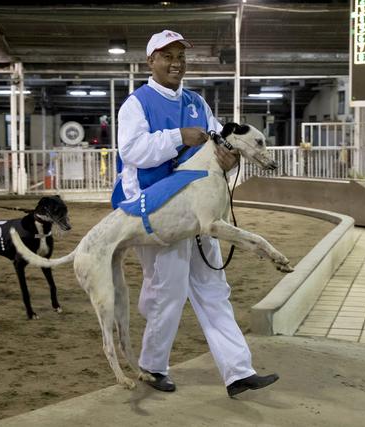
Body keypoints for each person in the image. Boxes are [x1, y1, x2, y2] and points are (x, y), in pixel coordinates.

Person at [113, 30, 279, 396]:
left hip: (198, 208)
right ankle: (153, 367)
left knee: (213, 289)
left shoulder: (196, 102)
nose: (176, 62)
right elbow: (133, 152)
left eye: (181, 56)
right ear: (150, 62)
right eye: (167, 55)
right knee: (167, 291)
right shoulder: (136, 104)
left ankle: (238, 372)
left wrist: (229, 155)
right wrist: (179, 136)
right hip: (159, 211)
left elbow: (222, 141)